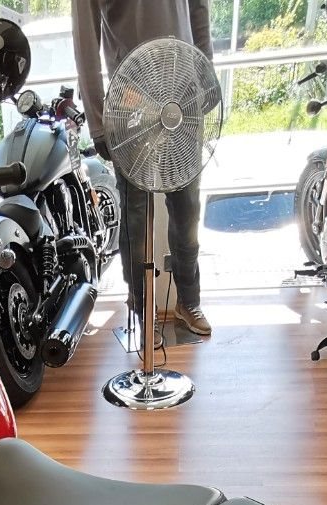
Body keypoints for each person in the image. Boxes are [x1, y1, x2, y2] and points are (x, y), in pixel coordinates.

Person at [72, 0, 215, 338]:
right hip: (131, 102)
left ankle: (189, 300)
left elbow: (199, 9)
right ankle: (140, 305)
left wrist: (206, 75)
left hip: (184, 97)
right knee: (135, 217)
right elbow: (85, 41)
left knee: (187, 209)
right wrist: (98, 122)